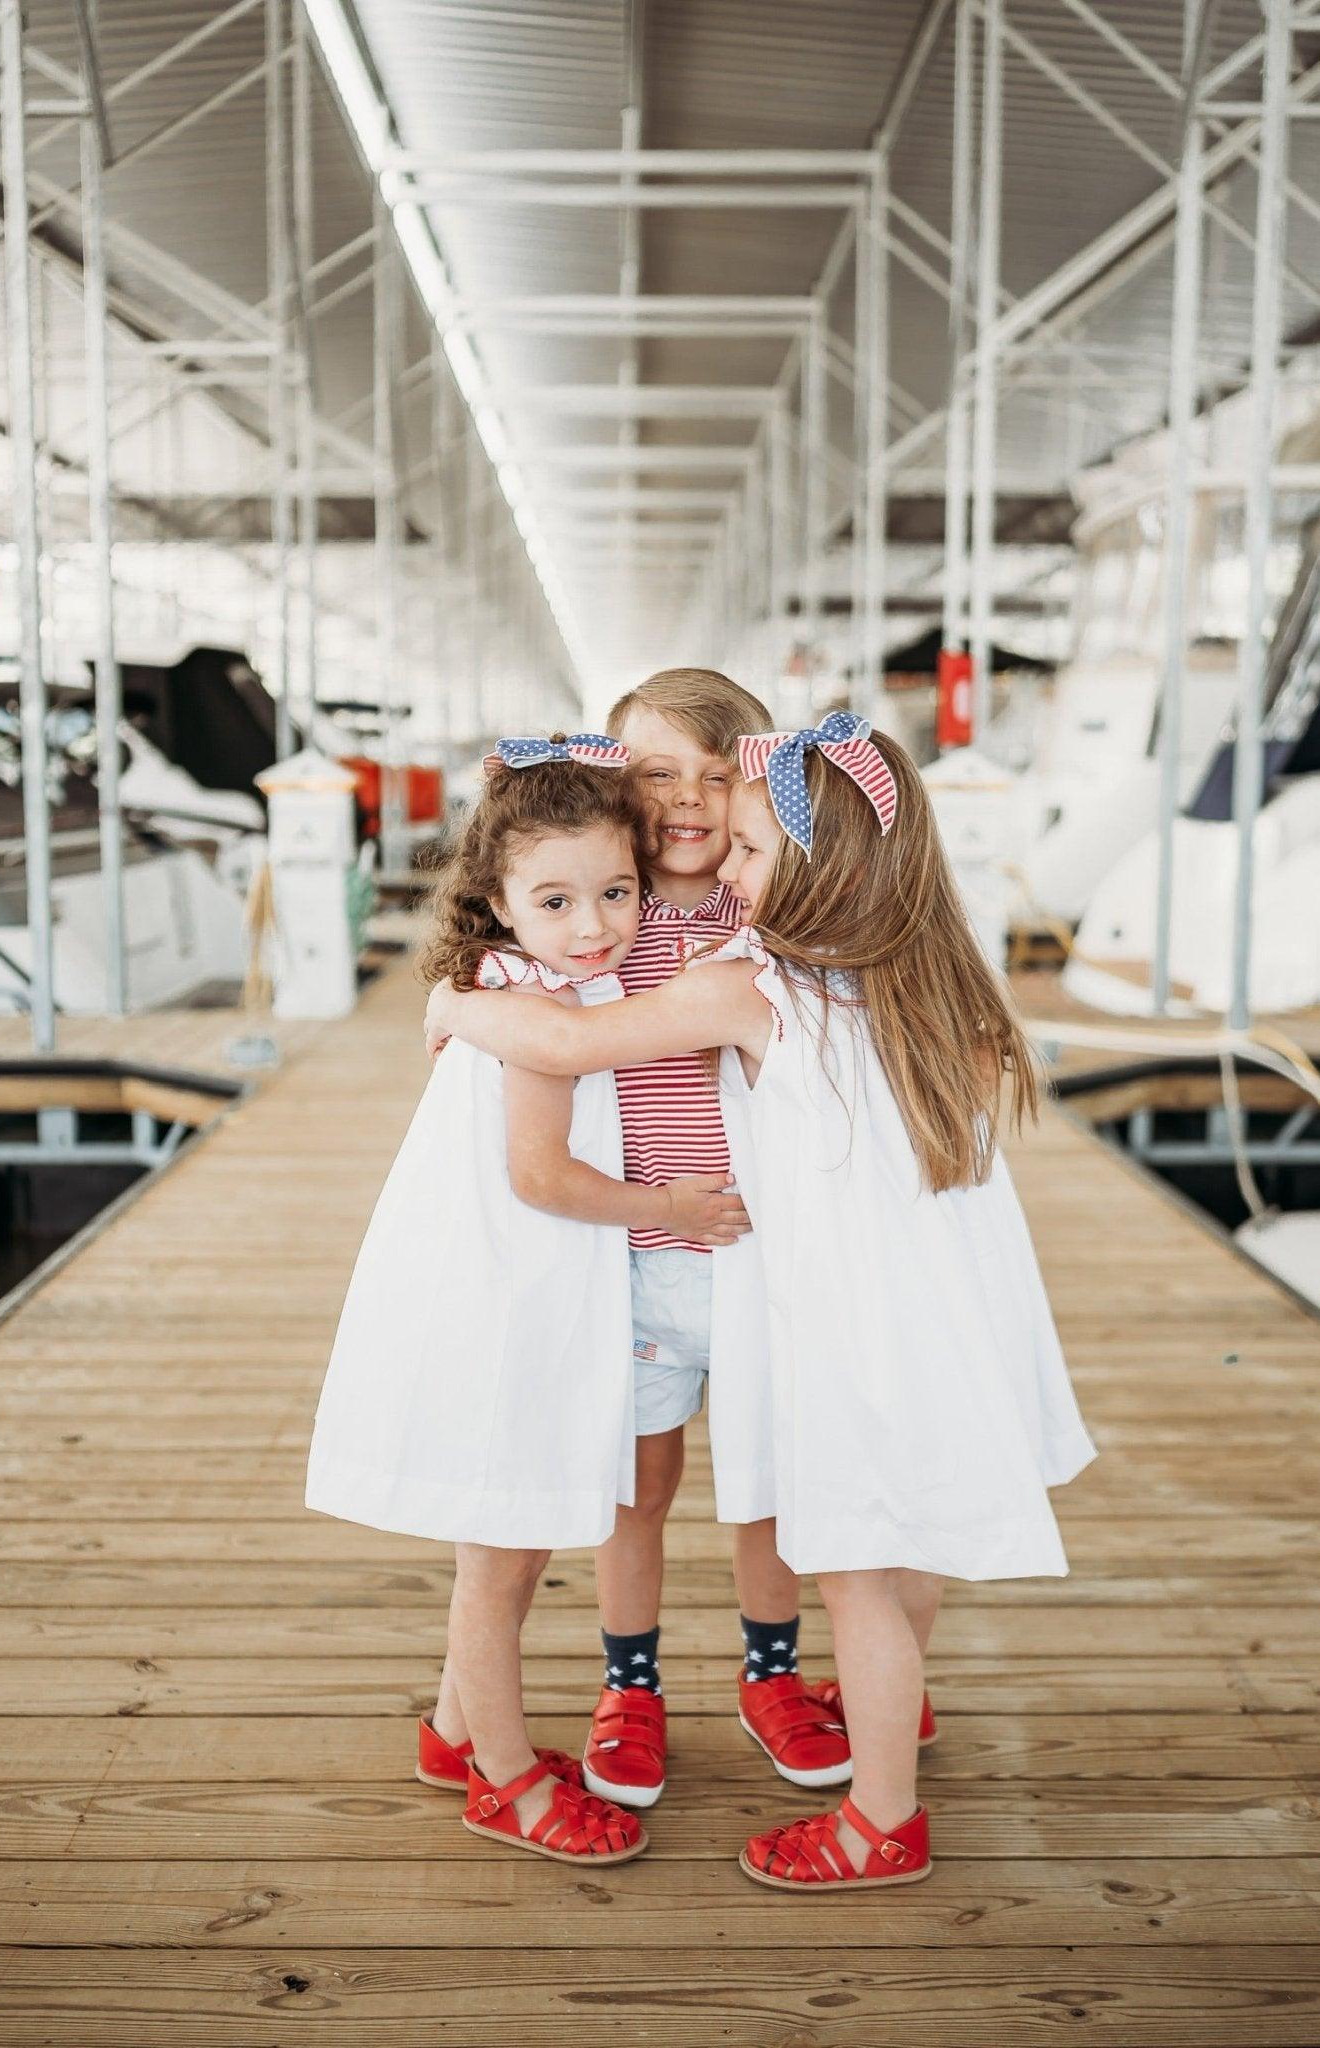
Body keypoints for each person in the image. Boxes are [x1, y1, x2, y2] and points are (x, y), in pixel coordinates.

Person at [424, 711, 1097, 1892]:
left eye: (748, 851)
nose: (728, 876)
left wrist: (452, 1007)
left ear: (817, 867)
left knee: (856, 1570)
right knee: (903, 1550)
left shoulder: (753, 988)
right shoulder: (930, 975)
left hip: (846, 1315)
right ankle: (876, 1701)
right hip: (947, 1308)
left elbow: (572, 1047)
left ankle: (878, 1818)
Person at [306, 734, 748, 1867]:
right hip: (505, 1296)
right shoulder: (535, 1005)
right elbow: (541, 1176)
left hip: (507, 1282)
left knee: (508, 1543)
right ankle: (505, 1782)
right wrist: (673, 1206)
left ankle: (454, 1734)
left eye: (614, 891)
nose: (594, 922)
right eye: (555, 898)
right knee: (499, 1561)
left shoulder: (522, 984)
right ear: (495, 900)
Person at [581, 669, 854, 1813]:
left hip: (755, 1257)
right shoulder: (595, 906)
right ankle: (630, 1684)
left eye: (712, 772)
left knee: (767, 1488)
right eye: (656, 773)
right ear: (615, 782)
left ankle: (772, 1672)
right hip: (638, 1257)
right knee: (636, 1487)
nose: (687, 800)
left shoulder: (766, 907)